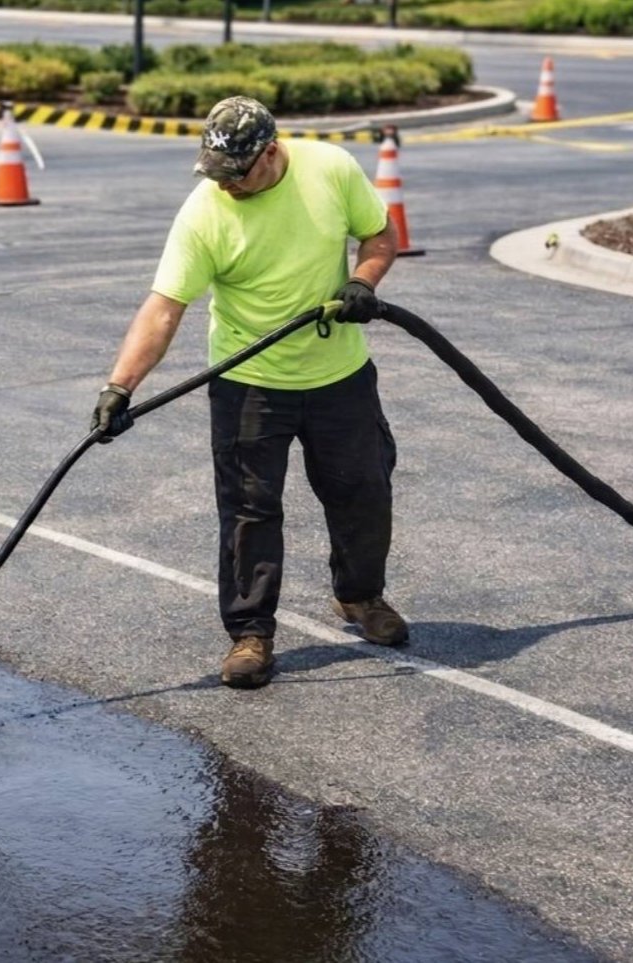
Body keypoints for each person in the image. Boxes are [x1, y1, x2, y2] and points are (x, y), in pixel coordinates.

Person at [90, 96, 406, 690]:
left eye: (236, 174)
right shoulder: (204, 212)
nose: (225, 185)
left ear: (269, 153)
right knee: (249, 513)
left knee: (363, 490)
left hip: (338, 375)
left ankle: (361, 598)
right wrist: (119, 386)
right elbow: (164, 309)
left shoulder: (330, 170)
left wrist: (361, 282)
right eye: (216, 173)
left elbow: (380, 237)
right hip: (246, 382)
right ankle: (250, 633)